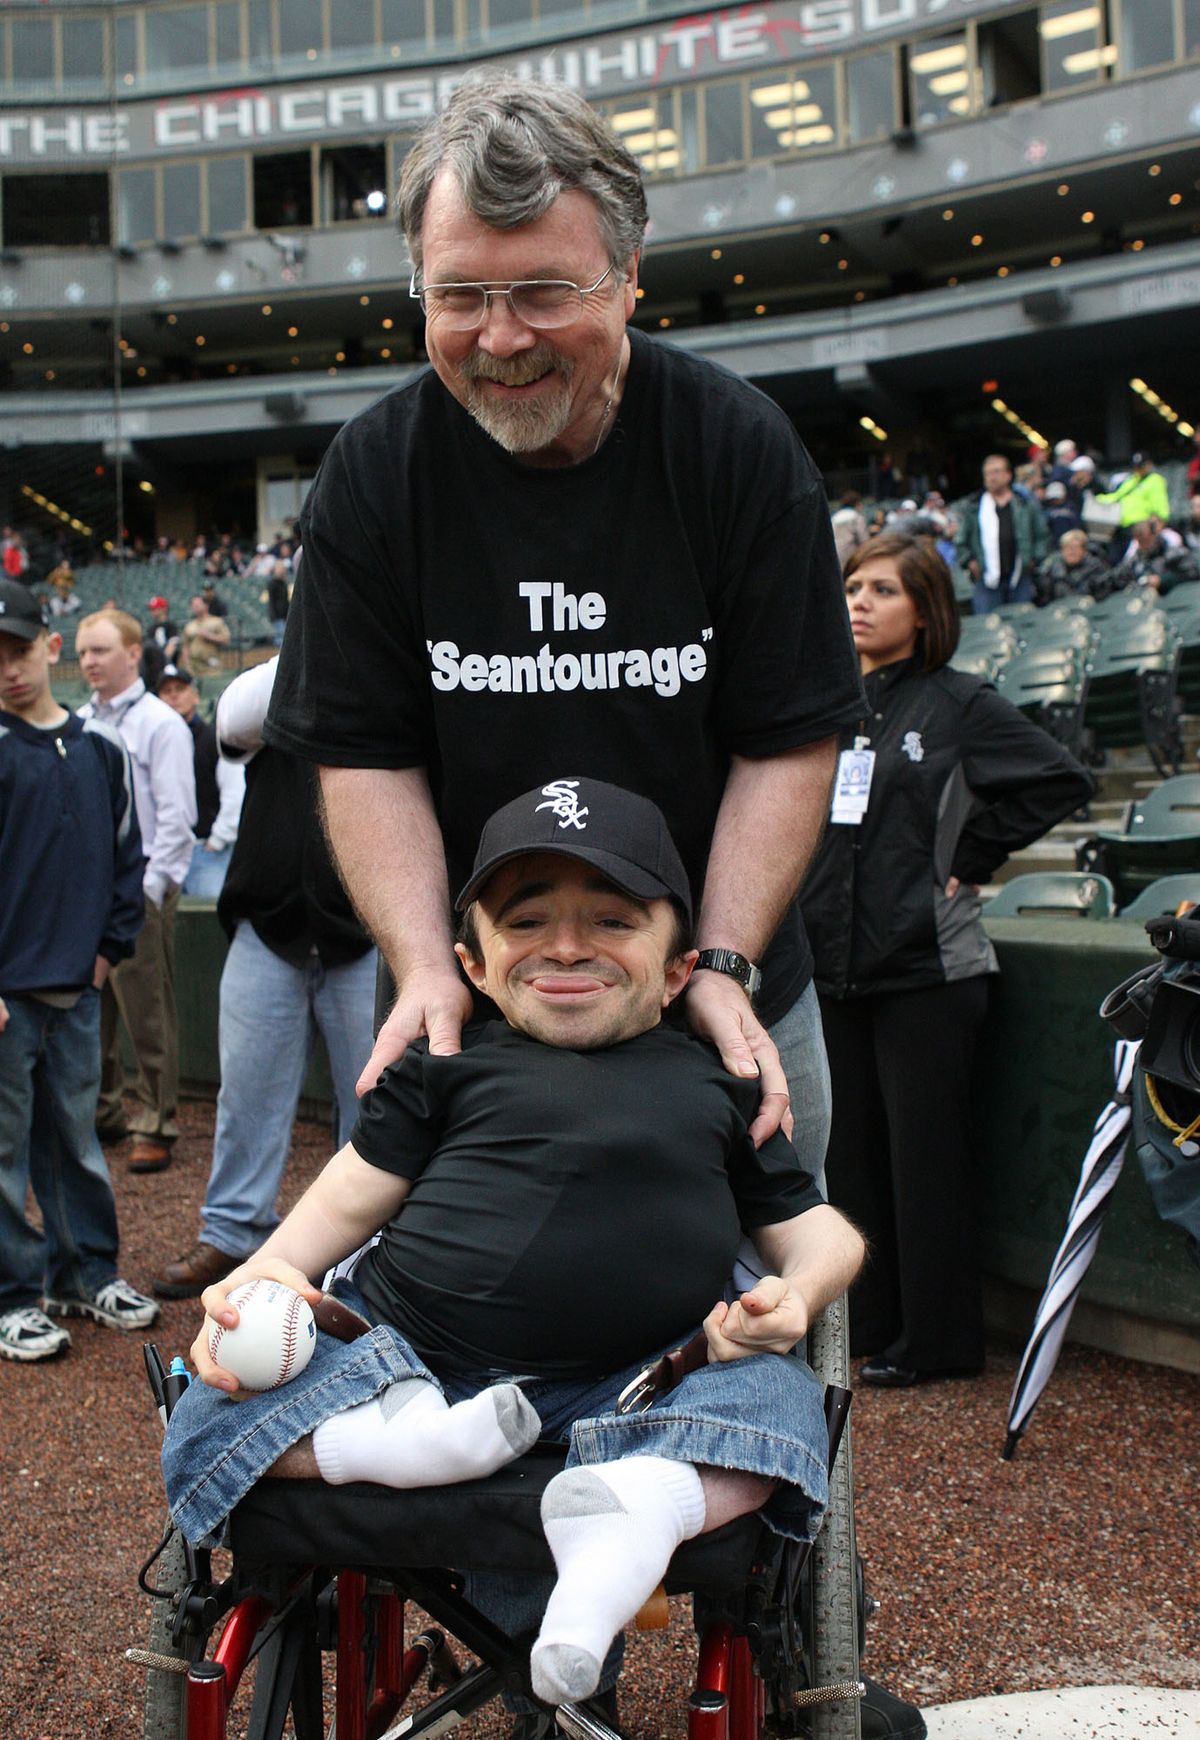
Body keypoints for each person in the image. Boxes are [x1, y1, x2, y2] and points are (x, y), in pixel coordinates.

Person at [263, 73, 865, 1179]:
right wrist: (429, 967)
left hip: (720, 992)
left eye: (542, 293)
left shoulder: (738, 447)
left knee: (778, 1304)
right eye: (458, 298)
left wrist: (721, 961)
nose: (498, 340)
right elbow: (364, 755)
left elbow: (785, 740)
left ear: (630, 277)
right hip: (482, 992)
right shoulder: (374, 474)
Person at [161, 779, 865, 1716]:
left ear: (676, 971)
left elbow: (824, 1236)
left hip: (639, 1389)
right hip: (416, 1370)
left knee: (779, 1403)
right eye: (526, 920)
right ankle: (394, 1447)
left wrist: (803, 1294)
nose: (566, 945)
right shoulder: (444, 1067)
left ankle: (640, 1511)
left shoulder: (720, 1083)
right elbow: (334, 1212)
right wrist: (261, 1283)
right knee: (203, 1403)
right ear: (475, 967)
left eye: (612, 920)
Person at [799, 533, 1094, 1386]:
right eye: (852, 585)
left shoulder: (962, 702)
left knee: (926, 1163)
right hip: (838, 970)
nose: (858, 600)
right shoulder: (831, 706)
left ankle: (941, 1344)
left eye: (882, 589)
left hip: (929, 970)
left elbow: (1058, 780)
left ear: (925, 612)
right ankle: (875, 1324)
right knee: (852, 1163)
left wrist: (976, 851)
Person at [153, 657, 377, 1298]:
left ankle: (360, 1252)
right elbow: (233, 718)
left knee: (373, 1103)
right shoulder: (286, 684)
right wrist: (325, 633)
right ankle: (232, 1232)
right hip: (267, 925)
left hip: (362, 933)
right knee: (246, 1096)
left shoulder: (386, 681)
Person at [0, 579, 158, 1361]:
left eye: (20, 648)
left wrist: (107, 951)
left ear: (50, 646)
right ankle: (9, 1295)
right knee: (3, 1147)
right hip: (5, 994)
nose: (9, 668)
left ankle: (82, 1272)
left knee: (75, 1138)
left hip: (76, 981)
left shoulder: (102, 748)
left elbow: (128, 858)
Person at [76, 609, 197, 1173]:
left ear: (132, 653)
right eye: (82, 652)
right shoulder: (77, 721)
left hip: (139, 890)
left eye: (100, 650)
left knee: (147, 1013)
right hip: (85, 892)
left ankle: (155, 1120)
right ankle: (104, 1112)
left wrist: (150, 890)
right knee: (87, 1010)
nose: (89, 662)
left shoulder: (159, 723)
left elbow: (176, 820)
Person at [157, 664, 245, 897]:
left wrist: (217, 840)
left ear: (195, 696)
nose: (174, 695)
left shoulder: (214, 738)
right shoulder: (154, 744)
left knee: (208, 924)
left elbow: (235, 794)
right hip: (163, 854)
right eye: (166, 691)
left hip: (206, 852)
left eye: (180, 688)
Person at [955, 453, 1049, 612]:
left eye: (996, 472)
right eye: (988, 473)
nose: (992, 477)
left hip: (1020, 577)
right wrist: (970, 562)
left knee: (1022, 623)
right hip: (987, 580)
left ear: (1008, 475)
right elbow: (960, 541)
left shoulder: (1025, 505)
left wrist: (1033, 560)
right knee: (987, 626)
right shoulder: (973, 508)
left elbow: (1042, 535)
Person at [1112, 518, 1199, 596]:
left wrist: (1162, 580)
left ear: (1154, 535)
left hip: (1174, 599)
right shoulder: (1136, 558)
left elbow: (1192, 572)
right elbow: (1119, 577)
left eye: (1146, 540)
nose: (1143, 545)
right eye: (1139, 541)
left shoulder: (1172, 552)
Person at [1093, 452, 1170, 533]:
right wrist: (1098, 498)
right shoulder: (1131, 480)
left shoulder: (1155, 480)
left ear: (1148, 465)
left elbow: (1160, 502)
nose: (1138, 469)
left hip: (1142, 526)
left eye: (1141, 466)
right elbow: (1118, 496)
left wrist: (1161, 519)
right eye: (1136, 466)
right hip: (1124, 525)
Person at [1036, 528, 1115, 603]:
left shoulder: (1096, 568)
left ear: (1084, 550)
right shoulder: (1051, 566)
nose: (1072, 551)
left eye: (1076, 547)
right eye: (1067, 547)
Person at [180, 592, 231, 673]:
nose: (195, 607)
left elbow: (226, 639)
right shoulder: (189, 626)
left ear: (206, 605)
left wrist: (209, 636)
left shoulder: (216, 621)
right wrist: (186, 665)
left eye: (198, 604)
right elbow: (185, 646)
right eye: (193, 605)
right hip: (194, 667)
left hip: (211, 666)